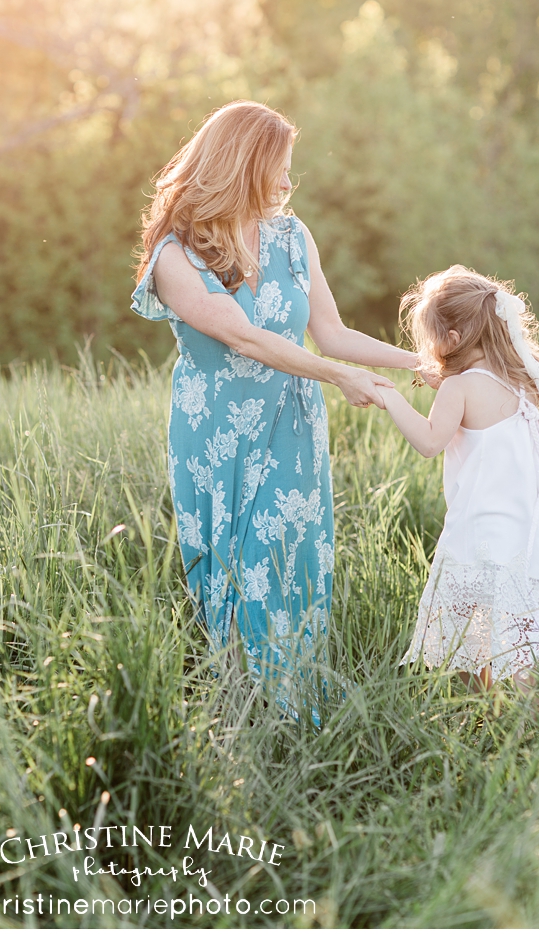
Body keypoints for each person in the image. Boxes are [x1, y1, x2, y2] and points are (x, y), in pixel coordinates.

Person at [129, 100, 416, 724]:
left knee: (285, 553)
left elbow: (334, 334)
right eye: (279, 170)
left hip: (290, 421)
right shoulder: (177, 257)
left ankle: (293, 705)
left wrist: (419, 364)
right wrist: (338, 377)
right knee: (229, 563)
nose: (290, 184)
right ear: (240, 168)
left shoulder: (292, 236)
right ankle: (237, 707)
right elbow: (246, 338)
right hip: (216, 432)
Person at [376, 266, 539, 690]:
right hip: (522, 533)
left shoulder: (458, 388)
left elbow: (429, 440)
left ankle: (481, 716)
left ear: (453, 341)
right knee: (515, 640)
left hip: (477, 529)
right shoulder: (522, 380)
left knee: (469, 634)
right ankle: (525, 722)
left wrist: (391, 396)